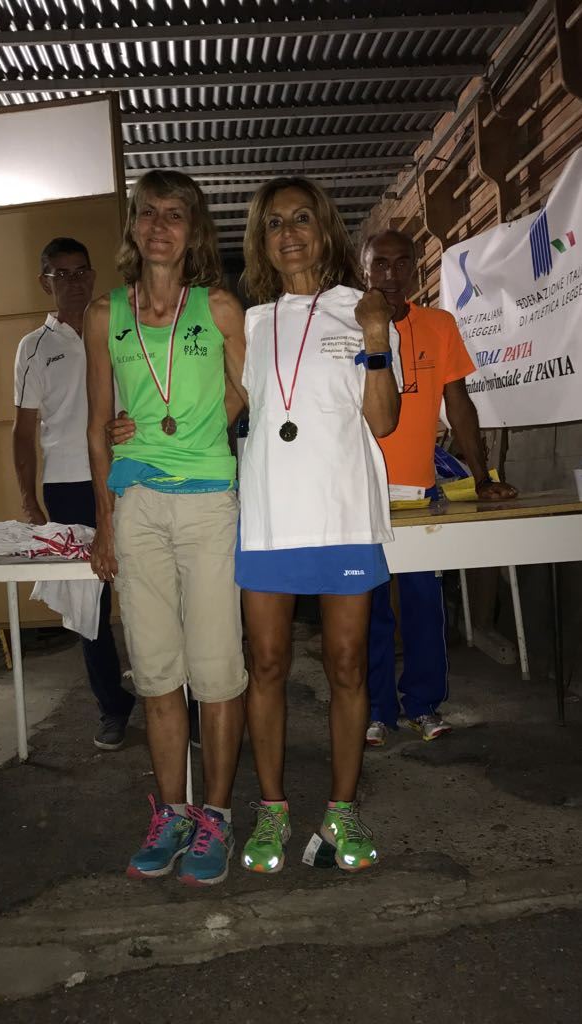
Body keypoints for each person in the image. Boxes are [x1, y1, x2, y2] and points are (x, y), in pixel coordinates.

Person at [84, 170, 248, 887]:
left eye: (174, 214)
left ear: (194, 230)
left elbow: (250, 390)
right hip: (138, 507)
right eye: (147, 212)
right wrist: (104, 524)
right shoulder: (104, 313)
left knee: (215, 672)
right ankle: (173, 813)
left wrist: (208, 421)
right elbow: (98, 425)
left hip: (208, 504)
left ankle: (217, 815)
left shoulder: (219, 307)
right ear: (132, 225)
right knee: (155, 673)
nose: (159, 225)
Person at [235, 177, 402, 874]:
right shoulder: (249, 323)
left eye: (301, 218)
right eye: (275, 223)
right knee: (266, 665)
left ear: (325, 229)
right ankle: (272, 809)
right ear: (262, 241)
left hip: (342, 513)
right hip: (270, 518)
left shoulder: (361, 310)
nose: (289, 233)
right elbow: (221, 407)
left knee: (347, 665)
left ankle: (342, 809)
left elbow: (383, 421)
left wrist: (375, 338)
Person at [360, 230, 518, 747]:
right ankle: (376, 710)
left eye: (402, 263)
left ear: (416, 269)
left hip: (419, 494)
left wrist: (482, 477)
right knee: (368, 611)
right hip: (359, 497)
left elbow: (460, 404)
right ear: (364, 269)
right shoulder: (345, 326)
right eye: (380, 264)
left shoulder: (439, 325)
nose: (391, 274)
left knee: (424, 606)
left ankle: (423, 705)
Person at [12, 237, 135, 751]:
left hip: (129, 473)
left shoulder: (120, 326)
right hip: (67, 486)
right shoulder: (34, 347)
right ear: (45, 282)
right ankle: (112, 707)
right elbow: (23, 432)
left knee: (154, 590)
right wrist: (30, 501)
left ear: (93, 274)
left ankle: (182, 703)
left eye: (81, 271)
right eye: (60, 274)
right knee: (89, 606)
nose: (74, 282)